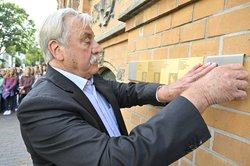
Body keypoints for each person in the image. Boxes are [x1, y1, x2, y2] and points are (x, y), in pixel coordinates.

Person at [17, 8, 249, 166]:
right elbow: (113, 159)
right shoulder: (40, 107)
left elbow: (123, 92)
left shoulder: (88, 78)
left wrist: (164, 91)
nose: (98, 48)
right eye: (87, 40)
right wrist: (201, 94)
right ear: (58, 50)